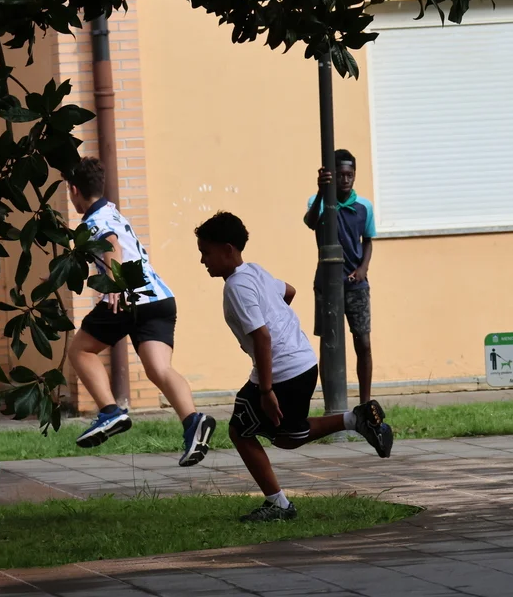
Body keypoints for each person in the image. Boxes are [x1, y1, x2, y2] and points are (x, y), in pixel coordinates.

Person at [196, 211, 393, 522]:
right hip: (302, 361)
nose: (202, 260)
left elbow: (262, 337)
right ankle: (356, 420)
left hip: (282, 371)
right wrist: (277, 322)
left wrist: (266, 391)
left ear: (227, 249)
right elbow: (288, 291)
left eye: (206, 252)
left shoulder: (236, 286)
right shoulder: (255, 272)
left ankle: (279, 505)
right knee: (288, 436)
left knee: (240, 430)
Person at [65, 156, 215, 466]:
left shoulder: (94, 222)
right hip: (159, 298)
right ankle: (193, 421)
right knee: (159, 369)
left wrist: (115, 284)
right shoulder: (112, 211)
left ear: (74, 190)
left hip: (129, 296)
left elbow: (111, 245)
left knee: (80, 350)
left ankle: (110, 412)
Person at [303, 149, 377, 403]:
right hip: (326, 284)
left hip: (356, 285)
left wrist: (363, 268)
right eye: (340, 175)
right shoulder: (320, 202)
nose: (345, 180)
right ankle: (331, 402)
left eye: (350, 174)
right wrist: (322, 192)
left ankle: (365, 402)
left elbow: (368, 240)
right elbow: (310, 222)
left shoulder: (364, 206)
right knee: (329, 344)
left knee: (363, 342)